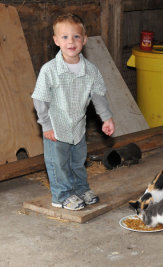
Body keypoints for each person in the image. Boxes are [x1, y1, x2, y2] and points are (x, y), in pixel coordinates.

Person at [32, 13, 115, 211]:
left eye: (76, 36)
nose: (71, 41)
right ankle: (61, 195)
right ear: (56, 41)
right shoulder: (49, 70)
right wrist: (46, 125)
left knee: (78, 161)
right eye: (65, 37)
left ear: (84, 40)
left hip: (78, 127)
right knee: (58, 164)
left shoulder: (91, 70)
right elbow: (39, 98)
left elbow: (98, 95)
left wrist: (106, 118)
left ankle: (80, 188)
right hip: (56, 128)